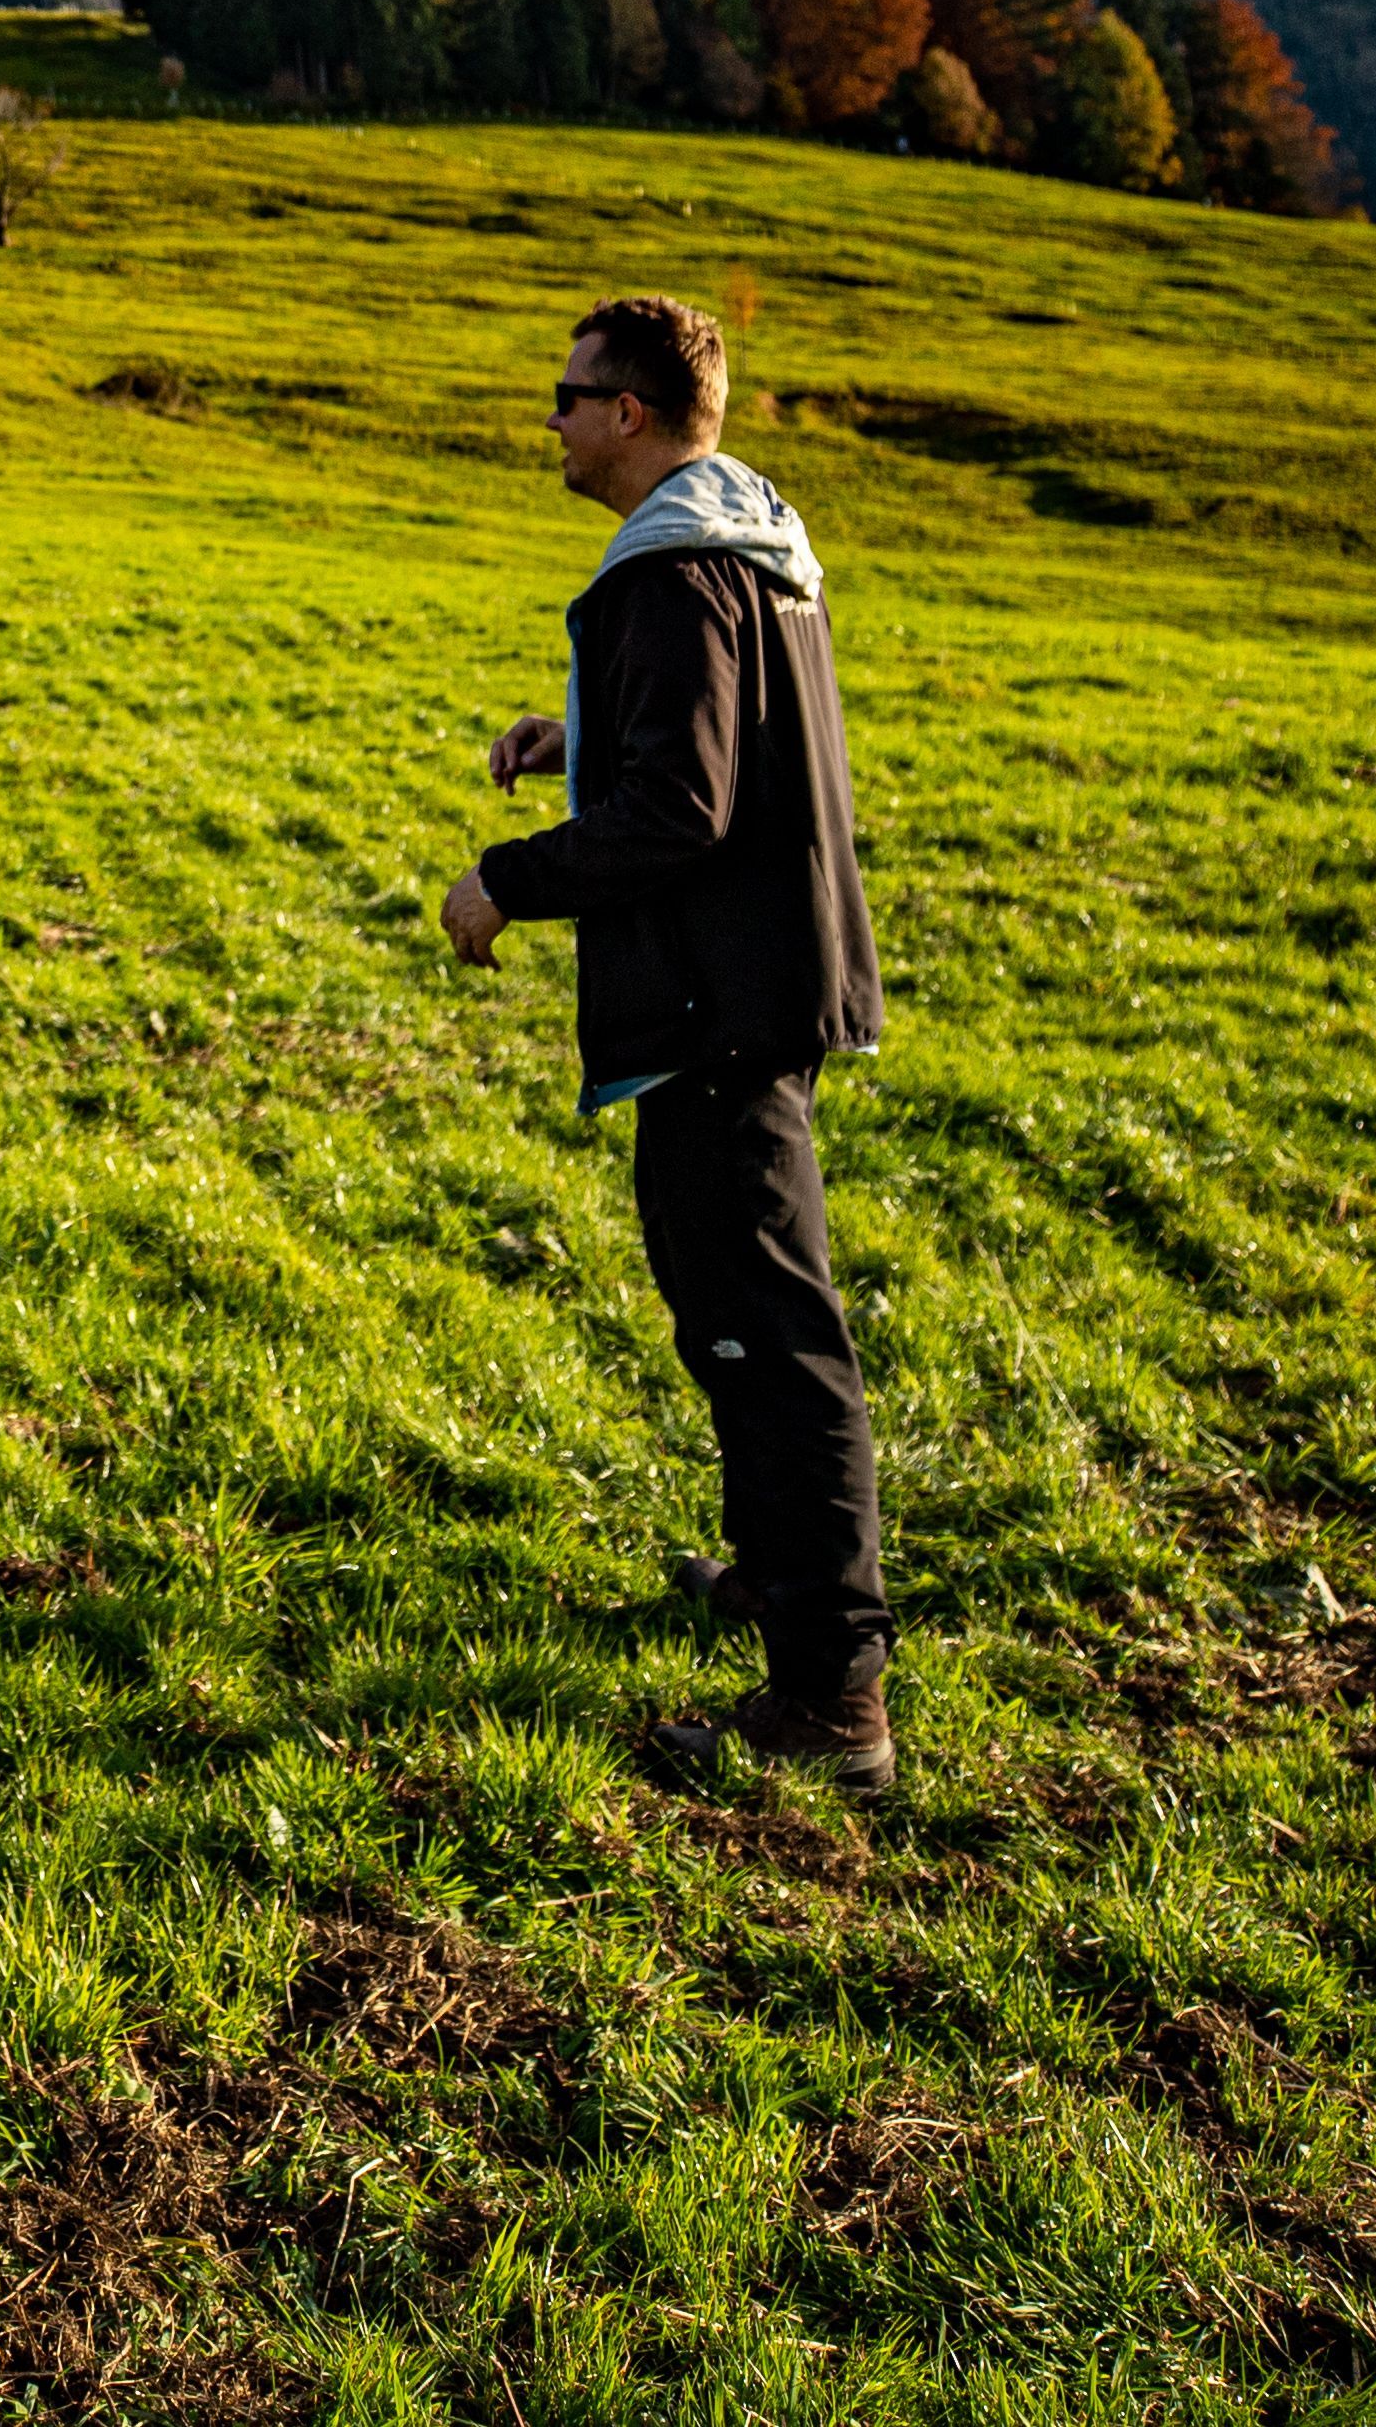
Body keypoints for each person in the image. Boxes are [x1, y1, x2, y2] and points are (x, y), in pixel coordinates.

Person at [441, 294, 892, 1794]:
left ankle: (832, 1699)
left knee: (771, 1340)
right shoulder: (742, 544)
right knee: (732, 1308)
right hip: (761, 978)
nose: (550, 419)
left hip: (718, 996)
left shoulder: (671, 571)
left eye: (563, 393)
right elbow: (719, 734)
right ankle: (774, 1579)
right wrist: (585, 724)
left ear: (627, 410)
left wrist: (506, 877)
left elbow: (681, 810)